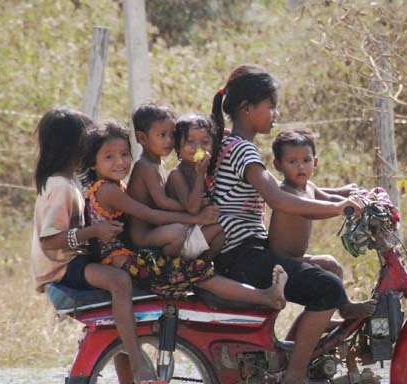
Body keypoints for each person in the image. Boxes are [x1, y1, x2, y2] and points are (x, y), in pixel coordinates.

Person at [210, 64, 365, 384]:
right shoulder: (243, 152)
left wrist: (342, 193)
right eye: (271, 106)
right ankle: (293, 381)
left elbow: (296, 188)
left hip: (246, 251)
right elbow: (279, 198)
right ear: (248, 109)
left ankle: (292, 360)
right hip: (241, 256)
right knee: (327, 289)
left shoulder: (232, 145)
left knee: (328, 267)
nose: (275, 114)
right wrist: (337, 208)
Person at [29, 107, 165, 384]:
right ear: (74, 145)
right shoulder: (60, 186)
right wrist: (94, 232)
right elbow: (50, 240)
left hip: (71, 262)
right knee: (119, 282)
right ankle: (138, 363)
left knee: (120, 314)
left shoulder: (68, 183)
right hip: (61, 267)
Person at [80, 120, 287, 308]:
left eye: (125, 154)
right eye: (109, 157)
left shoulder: (117, 185)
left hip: (133, 257)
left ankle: (199, 269)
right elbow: (151, 215)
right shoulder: (109, 189)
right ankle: (266, 297)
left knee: (202, 259)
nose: (120, 162)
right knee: (200, 275)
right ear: (92, 162)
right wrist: (195, 218)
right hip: (128, 263)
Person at [268, 127, 376, 320]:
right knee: (328, 264)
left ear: (315, 162)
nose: (300, 167)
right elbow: (312, 211)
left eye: (306, 160)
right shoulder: (287, 193)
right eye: (292, 162)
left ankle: (324, 318)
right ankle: (345, 308)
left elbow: (329, 198)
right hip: (280, 262)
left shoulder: (308, 187)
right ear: (278, 165)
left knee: (332, 266)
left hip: (295, 257)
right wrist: (341, 208)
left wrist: (355, 199)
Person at [126, 103, 212, 258]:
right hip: (142, 236)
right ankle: (165, 266)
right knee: (177, 232)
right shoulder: (145, 166)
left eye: (172, 135)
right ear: (142, 138)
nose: (169, 141)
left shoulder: (159, 163)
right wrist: (193, 208)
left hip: (156, 228)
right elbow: (163, 203)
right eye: (162, 135)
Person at [163, 112, 225, 260]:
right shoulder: (177, 175)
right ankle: (197, 266)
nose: (198, 148)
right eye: (190, 142)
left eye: (205, 142)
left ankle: (202, 266)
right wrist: (200, 174)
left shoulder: (203, 170)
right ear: (178, 148)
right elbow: (192, 208)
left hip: (194, 230)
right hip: (180, 238)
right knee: (218, 228)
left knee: (222, 228)